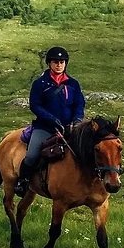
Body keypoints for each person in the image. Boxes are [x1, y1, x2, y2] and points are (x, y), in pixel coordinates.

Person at [16, 46, 85, 195]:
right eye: (55, 61)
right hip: (45, 128)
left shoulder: (73, 84)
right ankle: (23, 181)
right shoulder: (39, 84)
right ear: (49, 63)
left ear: (66, 63)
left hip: (69, 127)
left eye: (62, 61)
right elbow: (35, 105)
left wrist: (77, 119)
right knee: (32, 155)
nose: (59, 64)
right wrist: (51, 119)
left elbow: (79, 104)